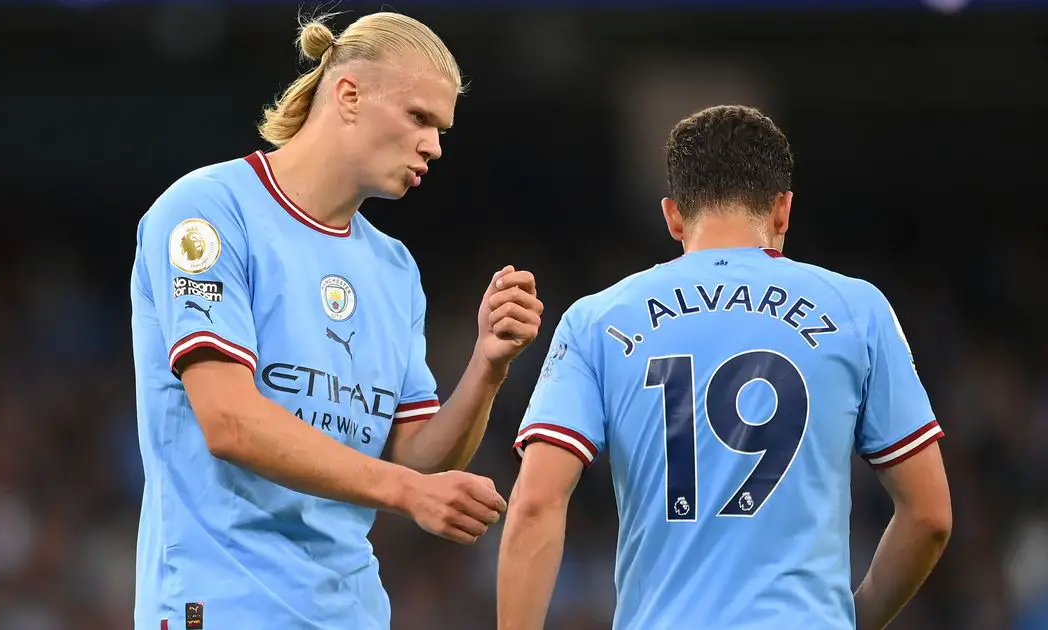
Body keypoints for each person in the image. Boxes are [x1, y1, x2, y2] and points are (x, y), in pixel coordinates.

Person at [129, 11, 543, 630]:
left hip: (350, 612)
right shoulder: (207, 212)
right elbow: (229, 422)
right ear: (349, 96)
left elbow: (416, 459)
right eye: (419, 117)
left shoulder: (394, 268)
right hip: (220, 605)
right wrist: (406, 492)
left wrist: (487, 367)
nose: (434, 145)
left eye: (441, 129)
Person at [496, 105, 951, 630]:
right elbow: (930, 516)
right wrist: (853, 619)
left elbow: (536, 505)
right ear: (783, 210)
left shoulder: (597, 319)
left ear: (672, 216)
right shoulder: (857, 309)